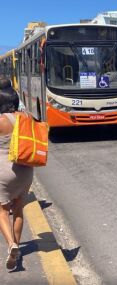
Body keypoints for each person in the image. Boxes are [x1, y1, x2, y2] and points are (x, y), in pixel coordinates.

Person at [0, 87, 33, 270]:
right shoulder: (26, 117)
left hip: (3, 171)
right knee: (18, 210)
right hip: (25, 170)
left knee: (2, 211)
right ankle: (17, 248)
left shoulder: (1, 121)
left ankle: (11, 244)